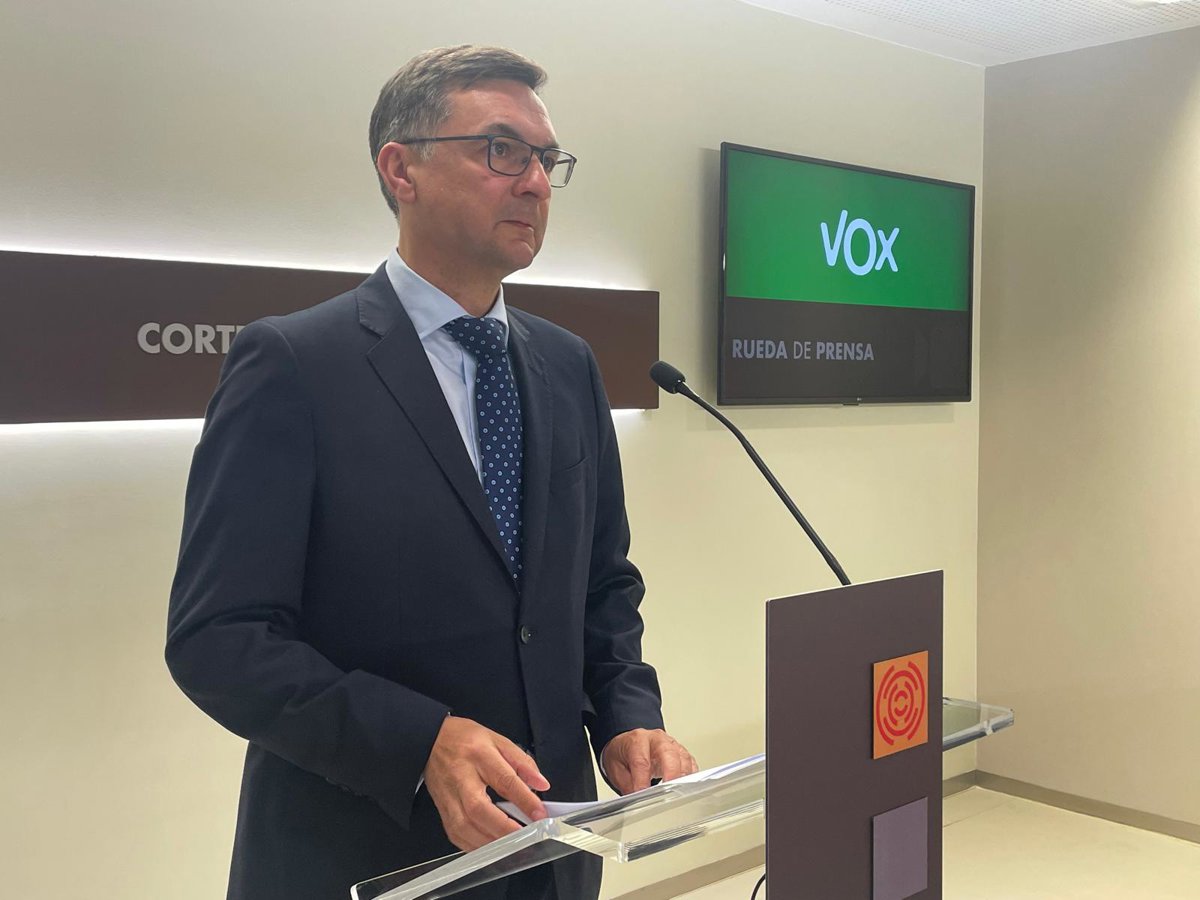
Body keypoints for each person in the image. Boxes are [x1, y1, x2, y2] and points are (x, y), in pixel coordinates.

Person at [166, 44, 696, 900]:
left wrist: (627, 717)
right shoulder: (294, 364)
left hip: (554, 850)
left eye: (546, 159)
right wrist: (420, 742)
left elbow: (601, 584)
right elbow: (219, 640)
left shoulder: (568, 364)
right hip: (366, 855)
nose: (536, 183)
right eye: (502, 150)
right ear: (400, 169)